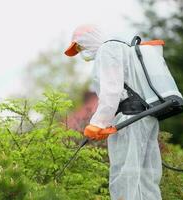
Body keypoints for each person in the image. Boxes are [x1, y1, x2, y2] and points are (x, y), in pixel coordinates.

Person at [64, 24, 162, 200]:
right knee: (146, 179)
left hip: (129, 118)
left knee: (125, 176)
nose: (81, 52)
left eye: (79, 46)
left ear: (89, 39)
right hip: (147, 116)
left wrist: (97, 123)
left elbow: (112, 90)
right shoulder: (124, 48)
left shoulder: (108, 49)